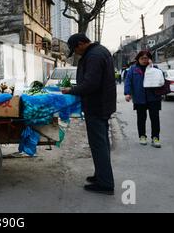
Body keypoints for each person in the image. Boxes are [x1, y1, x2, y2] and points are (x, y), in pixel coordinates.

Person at [62, 34, 117, 195]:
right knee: (102, 143)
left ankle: (105, 183)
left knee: (99, 144)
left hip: (97, 106)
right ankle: (101, 175)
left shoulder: (94, 55)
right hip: (101, 104)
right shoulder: (98, 52)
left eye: (75, 50)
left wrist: (71, 90)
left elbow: (91, 84)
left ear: (81, 44)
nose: (76, 53)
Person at [124, 51, 162, 148]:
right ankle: (142, 136)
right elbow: (128, 82)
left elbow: (161, 80)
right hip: (139, 97)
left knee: (155, 118)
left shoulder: (155, 69)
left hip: (154, 97)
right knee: (141, 118)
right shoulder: (133, 69)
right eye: (142, 58)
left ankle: (155, 137)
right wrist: (128, 93)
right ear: (138, 59)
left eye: (146, 58)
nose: (145, 60)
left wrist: (151, 67)